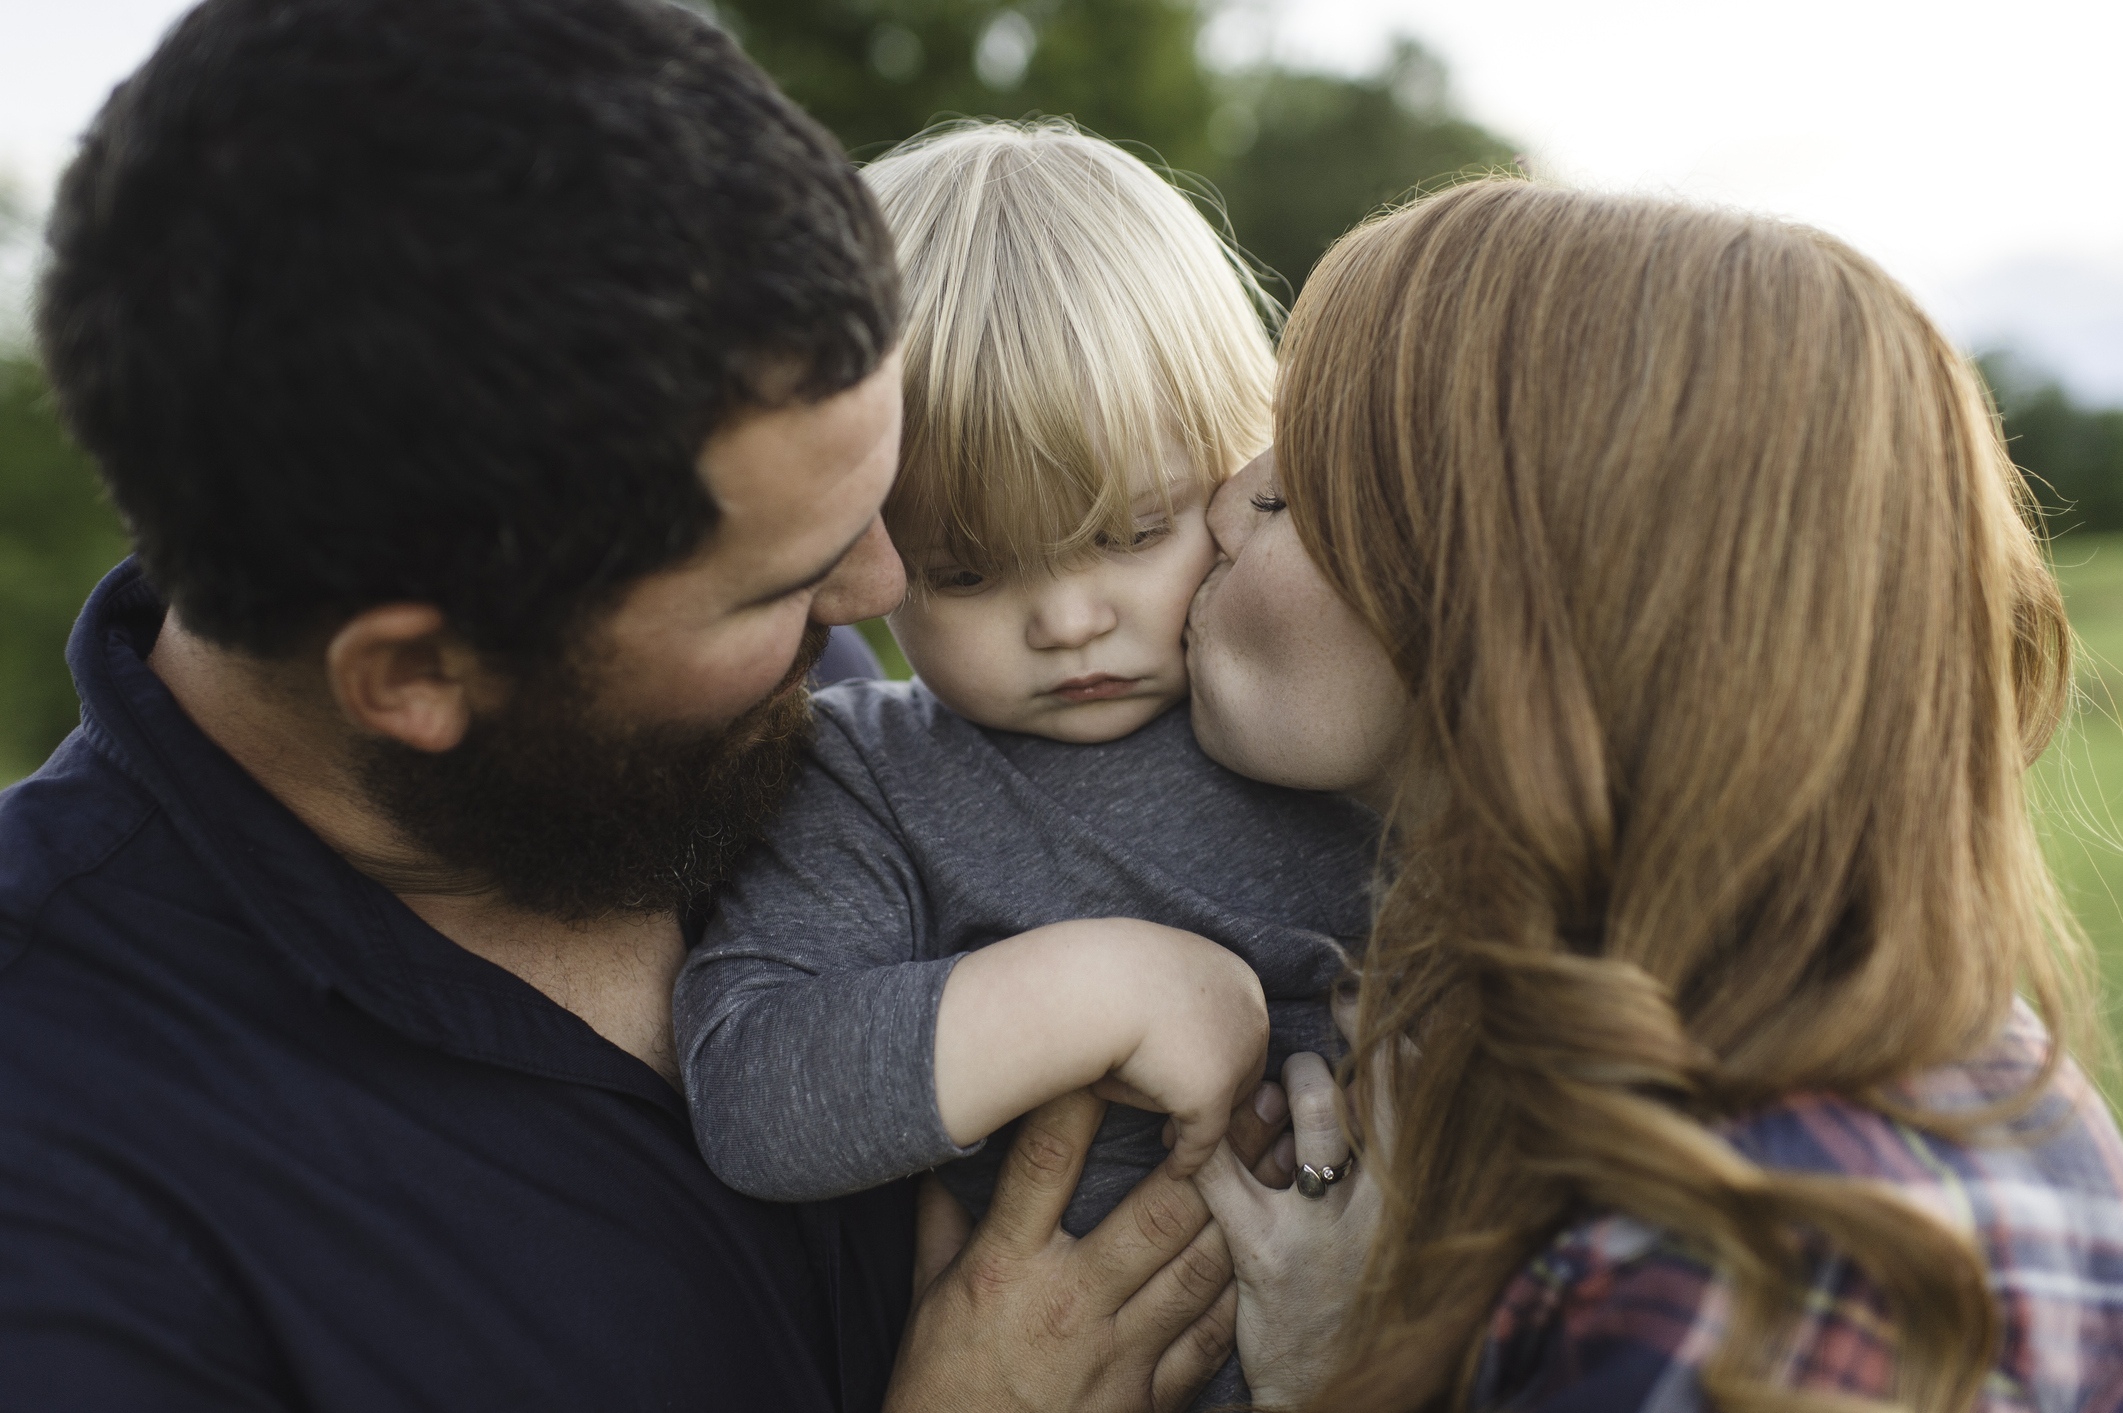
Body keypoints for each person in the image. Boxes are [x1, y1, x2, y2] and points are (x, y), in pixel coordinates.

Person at [0, 3, 1281, 1410]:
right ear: (417, 676)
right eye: (773, 584)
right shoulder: (65, 1178)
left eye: (876, 506)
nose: (877, 594)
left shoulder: (801, 729)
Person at [1183, 179, 2123, 1411]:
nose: (1214, 504)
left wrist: (1332, 1374)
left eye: (1296, 488)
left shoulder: (1750, 1287)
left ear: (1530, 615)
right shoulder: (1845, 1071)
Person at [674, 121, 1376, 1410]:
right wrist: (1089, 988)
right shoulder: (870, 775)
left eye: (1130, 531)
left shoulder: (1326, 714)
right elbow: (751, 1083)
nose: (1063, 621)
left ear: (1245, 466)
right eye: (965, 571)